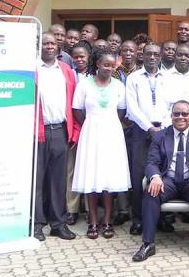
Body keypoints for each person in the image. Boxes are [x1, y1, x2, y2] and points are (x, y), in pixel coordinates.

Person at [133, 101, 189, 262]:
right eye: (176, 113)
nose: (180, 117)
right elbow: (151, 162)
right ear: (171, 116)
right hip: (168, 181)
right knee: (150, 192)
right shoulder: (160, 136)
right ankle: (148, 243)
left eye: (185, 114)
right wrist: (155, 177)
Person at [72, 49, 131, 239]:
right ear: (97, 64)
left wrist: (108, 122)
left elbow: (121, 111)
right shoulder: (84, 85)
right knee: (91, 176)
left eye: (112, 65)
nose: (109, 68)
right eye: (106, 64)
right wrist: (92, 124)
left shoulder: (119, 86)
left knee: (108, 177)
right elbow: (77, 110)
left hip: (112, 133)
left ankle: (107, 220)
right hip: (91, 133)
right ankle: (92, 221)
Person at [34, 32, 77, 241]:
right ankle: (36, 224)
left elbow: (74, 104)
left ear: (57, 48)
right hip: (38, 132)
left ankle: (58, 224)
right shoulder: (31, 70)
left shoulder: (67, 71)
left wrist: (74, 132)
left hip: (60, 130)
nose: (49, 46)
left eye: (52, 43)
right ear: (39, 46)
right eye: (45, 43)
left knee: (58, 180)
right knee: (38, 179)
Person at [125, 43, 171, 235]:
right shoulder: (133, 78)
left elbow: (174, 105)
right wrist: (149, 127)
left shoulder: (168, 78)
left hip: (165, 130)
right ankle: (138, 219)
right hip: (141, 130)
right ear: (142, 56)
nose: (152, 57)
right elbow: (132, 107)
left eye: (156, 54)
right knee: (138, 175)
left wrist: (163, 127)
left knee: (164, 173)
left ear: (160, 57)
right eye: (149, 54)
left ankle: (161, 217)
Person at [111, 40, 141, 226]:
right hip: (118, 126)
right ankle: (122, 209)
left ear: (137, 52)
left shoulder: (142, 73)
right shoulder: (113, 73)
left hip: (138, 127)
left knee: (137, 168)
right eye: (125, 50)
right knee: (120, 167)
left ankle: (139, 208)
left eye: (132, 50)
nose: (128, 53)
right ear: (120, 53)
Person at [66, 41, 91, 225]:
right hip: (74, 128)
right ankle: (72, 209)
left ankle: (91, 210)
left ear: (89, 57)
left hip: (93, 129)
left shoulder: (96, 76)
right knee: (72, 170)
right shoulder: (68, 75)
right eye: (76, 57)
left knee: (91, 170)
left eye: (82, 56)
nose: (79, 59)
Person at [164, 44, 189, 118]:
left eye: (187, 56)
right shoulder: (164, 76)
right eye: (180, 55)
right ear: (174, 56)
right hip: (171, 122)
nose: (183, 58)